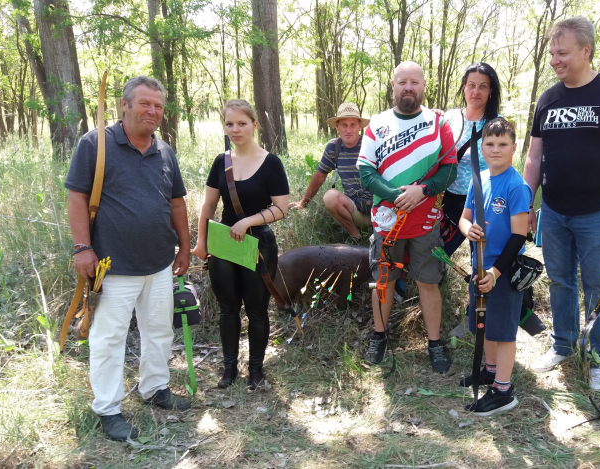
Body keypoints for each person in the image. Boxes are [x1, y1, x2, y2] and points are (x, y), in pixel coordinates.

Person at [523, 17, 600, 391]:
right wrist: (525, 202)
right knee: (560, 281)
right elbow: (533, 158)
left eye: (562, 53)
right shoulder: (548, 98)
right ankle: (563, 345)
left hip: (599, 211)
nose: (554, 60)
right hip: (555, 211)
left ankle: (596, 357)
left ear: (585, 51)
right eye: (551, 54)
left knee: (597, 285)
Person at [65, 76, 191, 442]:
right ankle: (108, 409)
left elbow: (177, 203)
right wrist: (82, 248)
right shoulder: (97, 143)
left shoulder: (164, 151)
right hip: (112, 265)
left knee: (159, 330)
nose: (152, 111)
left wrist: (183, 248)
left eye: (158, 106)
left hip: (159, 262)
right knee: (108, 337)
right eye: (144, 104)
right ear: (125, 104)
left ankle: (155, 388)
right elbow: (76, 196)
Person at [357, 61, 458, 373]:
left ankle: (434, 343)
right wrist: (394, 196)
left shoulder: (437, 123)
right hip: (387, 221)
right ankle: (379, 336)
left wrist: (422, 191)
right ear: (393, 85)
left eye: (414, 82)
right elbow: (365, 170)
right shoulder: (377, 124)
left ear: (424, 85)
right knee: (383, 282)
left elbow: (450, 168)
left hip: (425, 222)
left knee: (429, 282)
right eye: (402, 82)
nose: (408, 87)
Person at [192, 99, 290, 391]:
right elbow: (208, 205)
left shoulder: (271, 163)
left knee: (258, 310)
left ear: (254, 125)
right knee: (228, 309)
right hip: (224, 245)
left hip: (259, 244)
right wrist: (201, 242)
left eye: (242, 123)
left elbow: (282, 207)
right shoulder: (221, 162)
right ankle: (229, 369)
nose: (235, 129)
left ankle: (256, 371)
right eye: (229, 124)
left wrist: (248, 222)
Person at [459, 118, 531, 415]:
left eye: (503, 144)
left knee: (502, 331)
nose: (495, 149)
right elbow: (464, 217)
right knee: (485, 324)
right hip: (481, 271)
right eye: (489, 144)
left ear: (514, 148)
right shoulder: (479, 181)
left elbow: (519, 235)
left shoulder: (516, 185)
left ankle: (502, 391)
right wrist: (468, 230)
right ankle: (490, 371)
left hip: (503, 271)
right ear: (481, 147)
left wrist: (495, 273)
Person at [441, 63, 502, 256]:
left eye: (483, 86)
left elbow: (503, 168)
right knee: (439, 252)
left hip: (481, 201)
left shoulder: (497, 125)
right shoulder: (449, 118)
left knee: (482, 257)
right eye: (471, 85)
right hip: (448, 197)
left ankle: (481, 284)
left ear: (491, 90)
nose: (476, 91)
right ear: (464, 86)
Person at [290, 103, 373, 238]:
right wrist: (303, 202)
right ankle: (356, 237)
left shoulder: (370, 145)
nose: (348, 130)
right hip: (354, 209)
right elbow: (319, 177)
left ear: (360, 126)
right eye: (344, 125)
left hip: (380, 211)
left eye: (353, 125)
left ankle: (379, 235)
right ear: (337, 127)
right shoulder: (334, 147)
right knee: (330, 196)